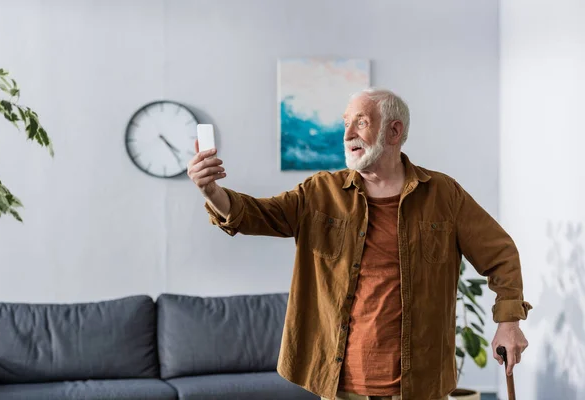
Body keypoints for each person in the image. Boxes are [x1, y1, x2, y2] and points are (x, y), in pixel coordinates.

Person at [187, 88, 532, 400]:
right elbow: (255, 215)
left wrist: (509, 322)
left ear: (394, 132)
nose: (348, 134)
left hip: (420, 386)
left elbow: (500, 254)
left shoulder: (443, 195)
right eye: (346, 123)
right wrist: (212, 192)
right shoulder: (321, 192)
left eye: (361, 123)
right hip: (341, 385)